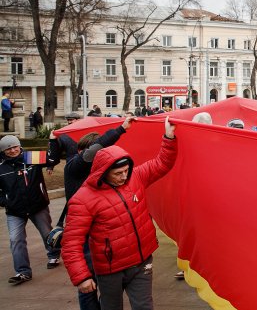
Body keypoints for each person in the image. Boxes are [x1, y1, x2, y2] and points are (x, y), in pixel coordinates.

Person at [62, 117, 177, 310]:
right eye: (118, 173)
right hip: (110, 270)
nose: (124, 176)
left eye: (126, 170)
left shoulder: (135, 177)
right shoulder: (83, 199)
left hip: (141, 263)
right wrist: (81, 277)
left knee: (144, 307)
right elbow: (71, 242)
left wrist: (169, 137)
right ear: (103, 171)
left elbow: (162, 163)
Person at [64, 117, 134, 309]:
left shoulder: (104, 173)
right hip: (86, 235)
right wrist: (121, 129)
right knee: (88, 282)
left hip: (104, 235)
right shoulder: (75, 167)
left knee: (106, 281)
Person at [0, 135, 61, 285]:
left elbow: (53, 159)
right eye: (8, 149)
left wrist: (53, 141)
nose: (12, 150)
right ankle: (23, 271)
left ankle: (53, 255)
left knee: (47, 233)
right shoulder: (1, 166)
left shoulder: (30, 157)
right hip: (14, 211)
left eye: (15, 146)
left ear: (19, 146)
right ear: (3, 151)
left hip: (37, 205)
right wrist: (5, 201)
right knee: (15, 240)